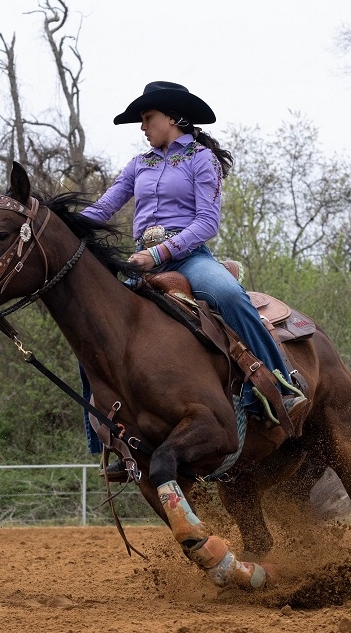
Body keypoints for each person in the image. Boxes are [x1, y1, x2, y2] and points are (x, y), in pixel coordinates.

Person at [81, 81, 309, 471]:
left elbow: (207, 223)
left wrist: (159, 253)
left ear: (172, 117)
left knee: (229, 294)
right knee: (93, 326)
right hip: (141, 262)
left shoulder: (201, 160)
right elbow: (103, 209)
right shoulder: (139, 164)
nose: (142, 126)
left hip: (187, 257)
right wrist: (56, 223)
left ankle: (282, 385)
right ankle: (111, 437)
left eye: (147, 117)